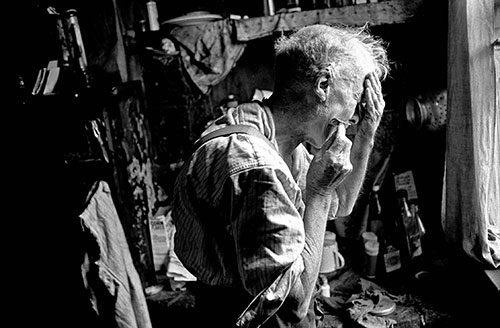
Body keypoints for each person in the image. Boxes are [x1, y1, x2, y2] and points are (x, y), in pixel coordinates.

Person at [171, 24, 389, 328]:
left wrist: (366, 136)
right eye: (354, 93)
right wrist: (319, 193)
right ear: (324, 84)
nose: (355, 112)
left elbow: (340, 205)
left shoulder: (271, 128)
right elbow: (294, 305)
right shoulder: (256, 165)